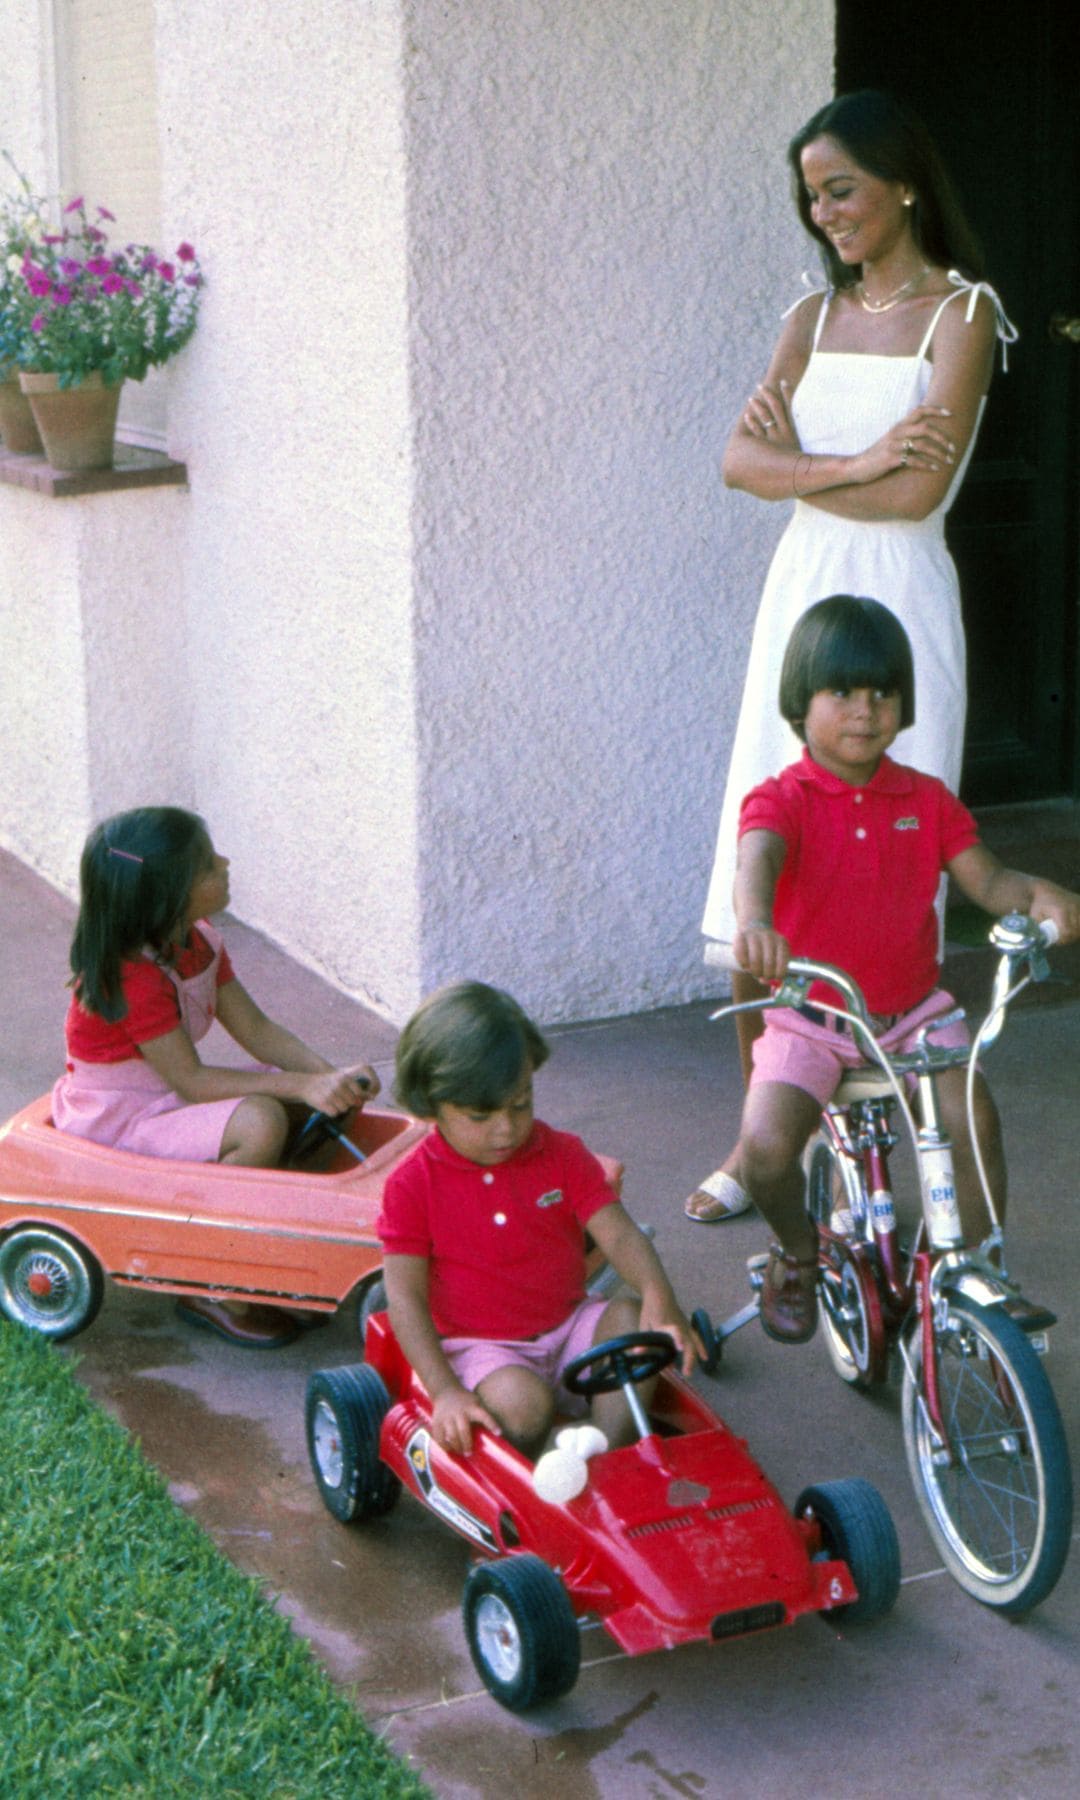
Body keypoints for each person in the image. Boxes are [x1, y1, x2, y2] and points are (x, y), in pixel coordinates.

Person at [691, 88, 1017, 1225]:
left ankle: (910, 1151)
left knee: (887, 861)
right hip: (802, 595)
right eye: (810, 195)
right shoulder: (809, 318)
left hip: (899, 594)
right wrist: (853, 461)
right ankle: (759, 1143)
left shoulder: (961, 314)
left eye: (842, 189)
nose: (822, 213)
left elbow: (922, 489)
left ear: (905, 184)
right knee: (764, 844)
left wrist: (818, 464)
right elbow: (737, 459)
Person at [726, 596, 1080, 1345]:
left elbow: (989, 884)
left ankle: (979, 1265)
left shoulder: (925, 799)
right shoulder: (782, 799)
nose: (865, 711)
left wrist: (1038, 893)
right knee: (763, 1151)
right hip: (814, 1018)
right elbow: (756, 860)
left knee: (970, 1110)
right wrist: (754, 922)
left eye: (883, 692)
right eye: (842, 692)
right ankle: (796, 1248)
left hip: (915, 1015)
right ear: (800, 701)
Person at [53, 807, 380, 1348]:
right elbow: (195, 1084)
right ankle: (214, 1279)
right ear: (168, 894)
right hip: (122, 1117)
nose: (224, 865)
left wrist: (330, 1078)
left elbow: (255, 1029)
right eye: (208, 865)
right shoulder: (131, 979)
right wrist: (298, 1085)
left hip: (169, 1101)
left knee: (315, 1104)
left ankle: (273, 1244)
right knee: (260, 1120)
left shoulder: (198, 941)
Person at [378, 980, 698, 1458]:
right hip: (485, 1349)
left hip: (570, 1326)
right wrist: (445, 1390)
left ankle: (605, 1449)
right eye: (480, 1116)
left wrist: (659, 1295)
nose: (506, 1129)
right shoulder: (412, 1185)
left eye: (520, 1104)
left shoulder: (563, 1154)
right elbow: (403, 1297)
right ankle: (555, 1453)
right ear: (431, 1105)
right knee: (523, 1408)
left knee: (632, 1320)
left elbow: (621, 1235)